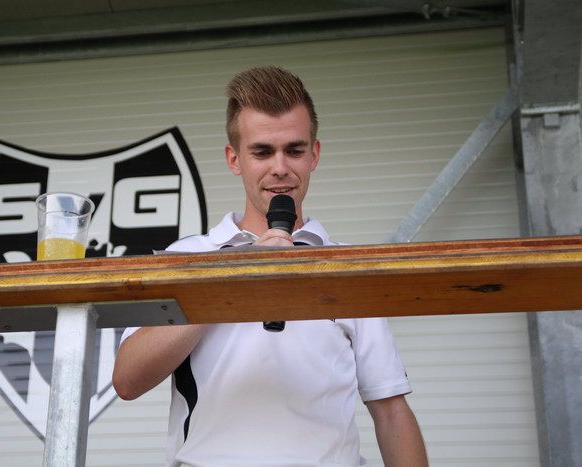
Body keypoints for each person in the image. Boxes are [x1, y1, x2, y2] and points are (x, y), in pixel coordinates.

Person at [113, 66, 427, 466]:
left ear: (314, 155)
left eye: (294, 150)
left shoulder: (347, 266)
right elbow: (128, 380)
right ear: (234, 159)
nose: (280, 168)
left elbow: (391, 410)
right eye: (262, 152)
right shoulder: (187, 257)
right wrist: (231, 279)